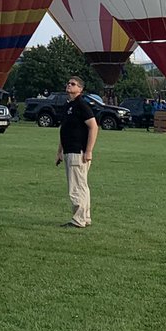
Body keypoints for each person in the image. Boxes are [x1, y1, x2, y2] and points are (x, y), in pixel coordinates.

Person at [55, 76, 98, 229]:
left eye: (73, 84)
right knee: (81, 186)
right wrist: (59, 151)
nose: (69, 85)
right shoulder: (68, 106)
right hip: (68, 150)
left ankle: (78, 220)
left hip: (77, 152)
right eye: (68, 83)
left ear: (80, 89)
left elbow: (93, 127)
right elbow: (64, 130)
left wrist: (88, 151)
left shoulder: (82, 105)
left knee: (76, 187)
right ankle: (85, 218)